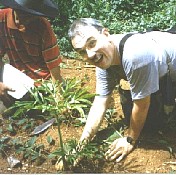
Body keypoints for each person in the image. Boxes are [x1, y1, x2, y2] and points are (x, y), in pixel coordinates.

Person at [68, 18, 176, 162]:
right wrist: (80, 145)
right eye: (82, 52)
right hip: (160, 58)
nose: (90, 54)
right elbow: (100, 101)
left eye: (92, 43)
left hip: (168, 60)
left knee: (152, 127)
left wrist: (130, 140)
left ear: (106, 34)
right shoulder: (102, 59)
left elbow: (142, 104)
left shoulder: (136, 55)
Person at [0, 0, 63, 110]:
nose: (24, 19)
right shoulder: (2, 19)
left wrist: (59, 98)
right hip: (16, 77)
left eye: (30, 15)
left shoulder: (43, 27)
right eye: (21, 12)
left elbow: (54, 69)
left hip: (40, 83)